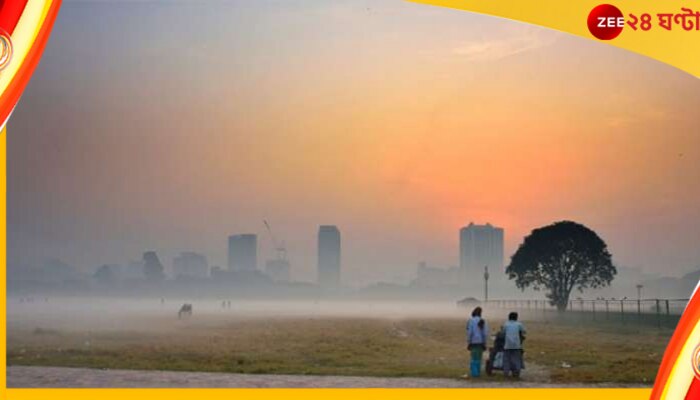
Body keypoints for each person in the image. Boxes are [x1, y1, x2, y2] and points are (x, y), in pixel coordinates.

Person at [501, 311, 526, 378]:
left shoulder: (506, 324)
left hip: (507, 345)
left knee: (506, 359)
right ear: (516, 318)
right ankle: (516, 372)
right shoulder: (519, 324)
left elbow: (503, 332)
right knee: (516, 359)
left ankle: (506, 373)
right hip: (516, 345)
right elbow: (524, 331)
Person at [466, 306, 489, 377]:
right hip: (481, 342)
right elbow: (485, 333)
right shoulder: (483, 321)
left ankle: (474, 373)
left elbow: (470, 332)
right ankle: (478, 372)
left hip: (473, 342)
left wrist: (469, 341)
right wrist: (484, 342)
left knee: (474, 358)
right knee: (479, 358)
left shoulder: (471, 321)